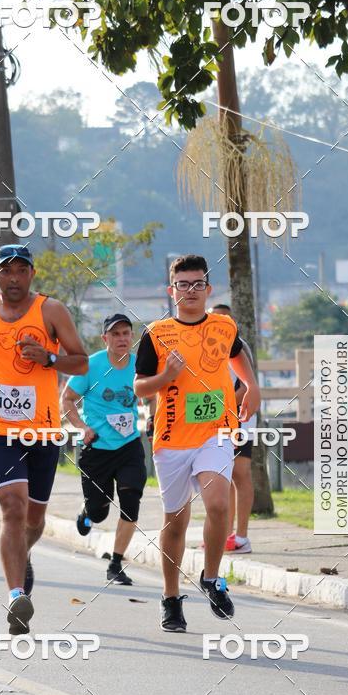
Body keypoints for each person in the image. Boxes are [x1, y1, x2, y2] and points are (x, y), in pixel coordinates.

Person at [134, 254, 261, 632]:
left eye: (197, 284)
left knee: (219, 504)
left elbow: (237, 355)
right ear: (171, 290)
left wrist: (252, 386)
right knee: (176, 522)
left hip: (215, 433)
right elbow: (140, 388)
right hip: (172, 439)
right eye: (183, 285)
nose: (190, 291)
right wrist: (166, 376)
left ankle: (210, 577)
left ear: (208, 289)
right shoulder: (156, 333)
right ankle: (171, 598)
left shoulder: (223, 326)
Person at [0, 244, 88, 636]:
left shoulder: (51, 311)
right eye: (6, 271)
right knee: (12, 509)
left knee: (34, 519)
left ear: (32, 274)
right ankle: (16, 594)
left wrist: (49, 360)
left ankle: (22, 555)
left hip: (43, 430)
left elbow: (82, 361)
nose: (14, 278)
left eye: (21, 270)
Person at [62, 313, 148, 586]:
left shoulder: (139, 365)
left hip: (129, 445)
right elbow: (67, 399)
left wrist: (155, 419)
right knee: (100, 512)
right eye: (116, 334)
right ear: (105, 338)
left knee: (131, 500)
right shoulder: (91, 365)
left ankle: (115, 563)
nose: (122, 339)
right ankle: (88, 511)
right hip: (95, 447)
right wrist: (81, 428)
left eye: (126, 333)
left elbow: (154, 393)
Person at [210, 304, 255, 554]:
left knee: (240, 473)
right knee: (221, 476)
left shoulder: (239, 346)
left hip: (242, 418)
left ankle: (242, 536)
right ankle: (223, 535)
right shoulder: (204, 346)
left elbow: (246, 386)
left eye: (222, 318)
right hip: (216, 421)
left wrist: (221, 406)